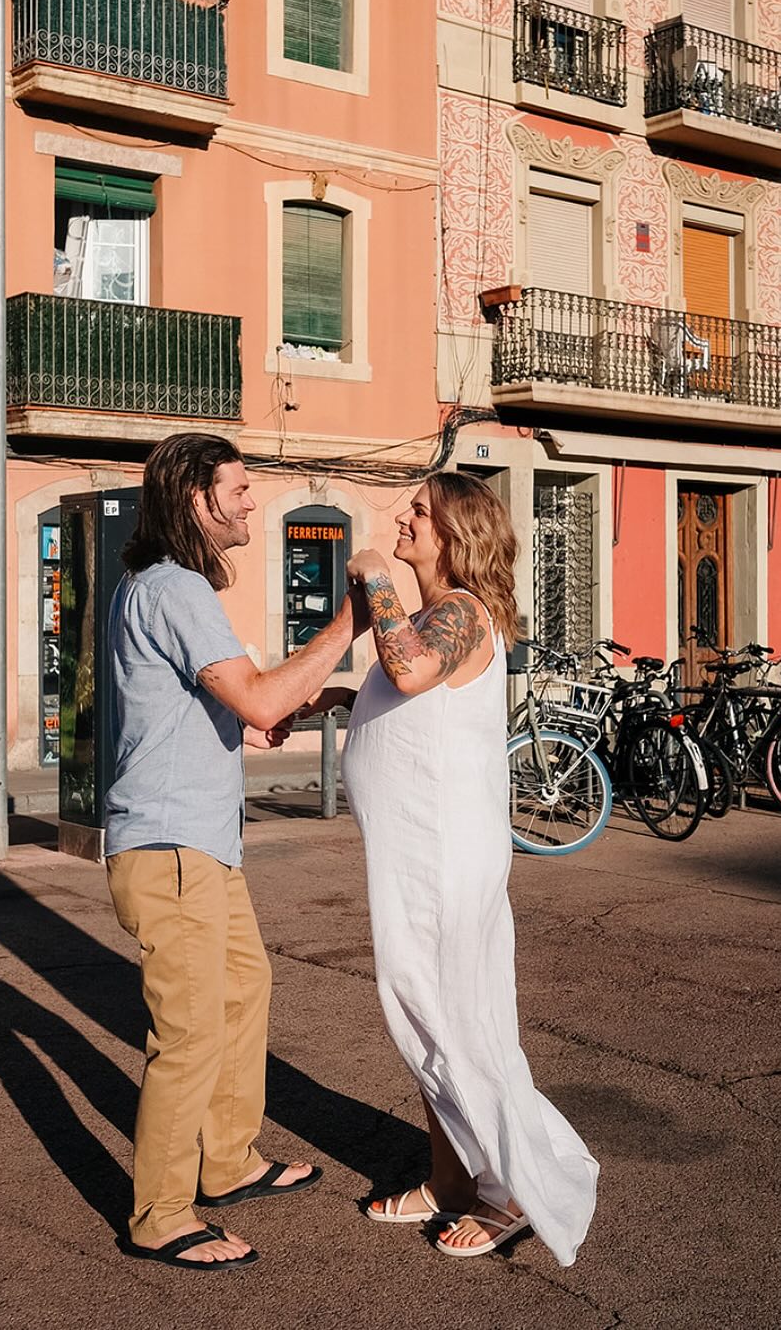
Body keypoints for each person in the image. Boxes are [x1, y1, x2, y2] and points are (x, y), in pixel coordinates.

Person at [312, 472, 598, 1263]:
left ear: (453, 535)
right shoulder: (441, 617)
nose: (405, 517)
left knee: (460, 1025)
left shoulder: (463, 612)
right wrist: (336, 700)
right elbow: (408, 698)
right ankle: (450, 1178)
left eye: (421, 513)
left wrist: (371, 572)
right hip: (415, 858)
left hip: (442, 861)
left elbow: (408, 671)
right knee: (427, 1020)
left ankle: (514, 1191)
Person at [105, 432, 363, 1274]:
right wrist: (349, 623)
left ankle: (227, 1158)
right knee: (186, 1033)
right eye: (240, 487)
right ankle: (162, 1211)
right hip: (170, 845)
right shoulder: (175, 586)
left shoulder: (168, 585)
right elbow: (254, 696)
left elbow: (239, 705)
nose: (253, 500)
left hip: (200, 843)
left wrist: (298, 697)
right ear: (196, 498)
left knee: (244, 987)